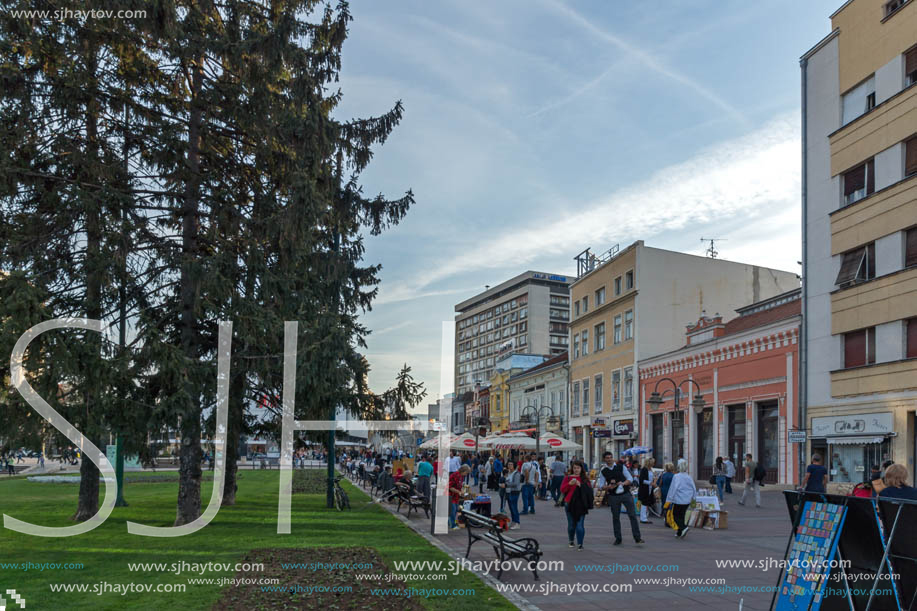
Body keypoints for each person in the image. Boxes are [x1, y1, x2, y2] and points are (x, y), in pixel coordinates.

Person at [596, 452, 644, 545]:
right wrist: (608, 487)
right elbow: (600, 485)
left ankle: (637, 537)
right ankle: (618, 538)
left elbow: (630, 478)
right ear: (604, 459)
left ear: (613, 458)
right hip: (613, 496)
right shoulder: (603, 470)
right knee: (616, 517)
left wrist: (622, 483)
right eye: (607, 458)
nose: (609, 459)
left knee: (632, 515)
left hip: (626, 493)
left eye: (610, 457)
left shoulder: (621, 467)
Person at [561, 460, 593, 550]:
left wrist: (580, 485)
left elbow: (590, 491)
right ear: (572, 468)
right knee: (571, 524)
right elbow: (562, 490)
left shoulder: (585, 479)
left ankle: (580, 544)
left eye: (578, 468)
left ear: (581, 469)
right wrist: (569, 484)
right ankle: (571, 540)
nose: (576, 470)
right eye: (574, 468)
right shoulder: (567, 478)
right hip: (569, 503)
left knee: (580, 524)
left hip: (581, 504)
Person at [666, 461, 697, 538]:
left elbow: (673, 489)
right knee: (682, 515)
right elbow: (693, 488)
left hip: (678, 499)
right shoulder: (689, 477)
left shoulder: (676, 476)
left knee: (675, 515)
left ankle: (683, 527)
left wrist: (669, 499)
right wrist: (694, 498)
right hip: (687, 500)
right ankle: (680, 532)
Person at [501, 461, 522, 529]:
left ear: (514, 465)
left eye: (511, 464)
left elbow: (515, 483)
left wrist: (506, 484)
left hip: (515, 492)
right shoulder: (509, 473)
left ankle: (517, 522)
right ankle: (513, 522)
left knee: (514, 507)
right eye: (509, 464)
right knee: (511, 508)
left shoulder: (516, 473)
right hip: (508, 492)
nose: (510, 465)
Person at [448, 465, 470, 530]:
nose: (466, 474)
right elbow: (450, 486)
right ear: (463, 471)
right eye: (466, 472)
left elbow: (459, 486)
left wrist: (461, 492)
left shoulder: (461, 476)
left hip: (456, 496)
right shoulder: (455, 475)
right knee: (453, 510)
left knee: (455, 511)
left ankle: (450, 523)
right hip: (451, 495)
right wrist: (458, 492)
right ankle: (452, 525)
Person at [638, 458, 655, 523]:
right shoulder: (644, 469)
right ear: (649, 463)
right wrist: (650, 483)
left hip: (649, 488)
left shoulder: (651, 470)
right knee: (644, 503)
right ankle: (643, 518)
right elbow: (642, 480)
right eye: (653, 462)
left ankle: (644, 517)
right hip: (644, 489)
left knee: (646, 503)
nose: (654, 463)